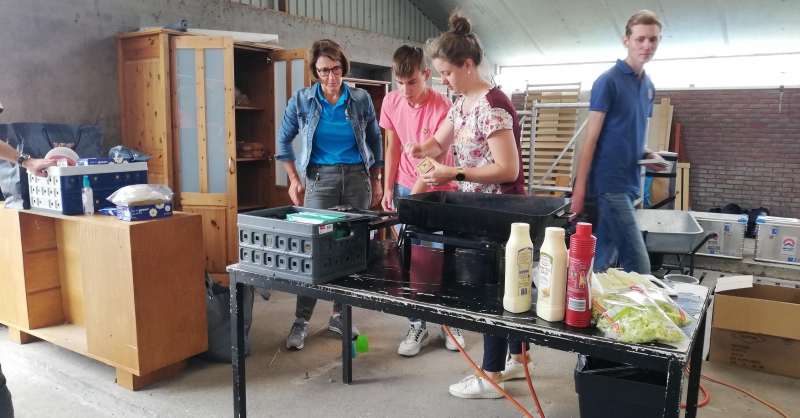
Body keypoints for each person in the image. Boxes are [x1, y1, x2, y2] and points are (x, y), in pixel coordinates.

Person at [406, 11, 534, 399]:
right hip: (476, 212)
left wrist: (453, 174)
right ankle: (516, 361)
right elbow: (439, 144)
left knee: (490, 295)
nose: (442, 81)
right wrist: (419, 148)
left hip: (499, 215)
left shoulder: (492, 105)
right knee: (505, 290)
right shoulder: (461, 102)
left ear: (467, 64)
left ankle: (492, 376)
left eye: (446, 73)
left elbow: (508, 169)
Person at [275, 39, 384, 350]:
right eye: (324, 71)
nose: (331, 78)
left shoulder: (361, 98)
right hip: (320, 179)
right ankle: (302, 319)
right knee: (312, 249)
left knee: (350, 248)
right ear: (314, 72)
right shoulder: (302, 101)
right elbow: (283, 140)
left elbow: (375, 140)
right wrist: (294, 179)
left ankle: (340, 315)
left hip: (356, 179)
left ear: (343, 67)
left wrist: (376, 179)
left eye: (336, 70)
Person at [379, 45, 465, 357]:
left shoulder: (443, 105)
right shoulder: (391, 101)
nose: (405, 91)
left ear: (426, 75)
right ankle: (417, 324)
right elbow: (392, 147)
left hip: (438, 190)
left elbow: (436, 158)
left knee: (442, 256)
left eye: (412, 82)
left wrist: (412, 202)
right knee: (410, 259)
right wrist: (387, 187)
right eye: (399, 83)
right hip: (404, 187)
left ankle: (448, 320)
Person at [569, 10, 668, 274]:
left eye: (653, 39)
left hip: (630, 182)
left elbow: (628, 134)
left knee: (598, 262)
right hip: (609, 184)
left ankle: (578, 304)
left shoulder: (648, 86)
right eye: (640, 39)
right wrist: (579, 192)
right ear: (626, 41)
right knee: (639, 265)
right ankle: (644, 312)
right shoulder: (607, 81)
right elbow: (590, 140)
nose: (647, 45)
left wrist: (648, 155)